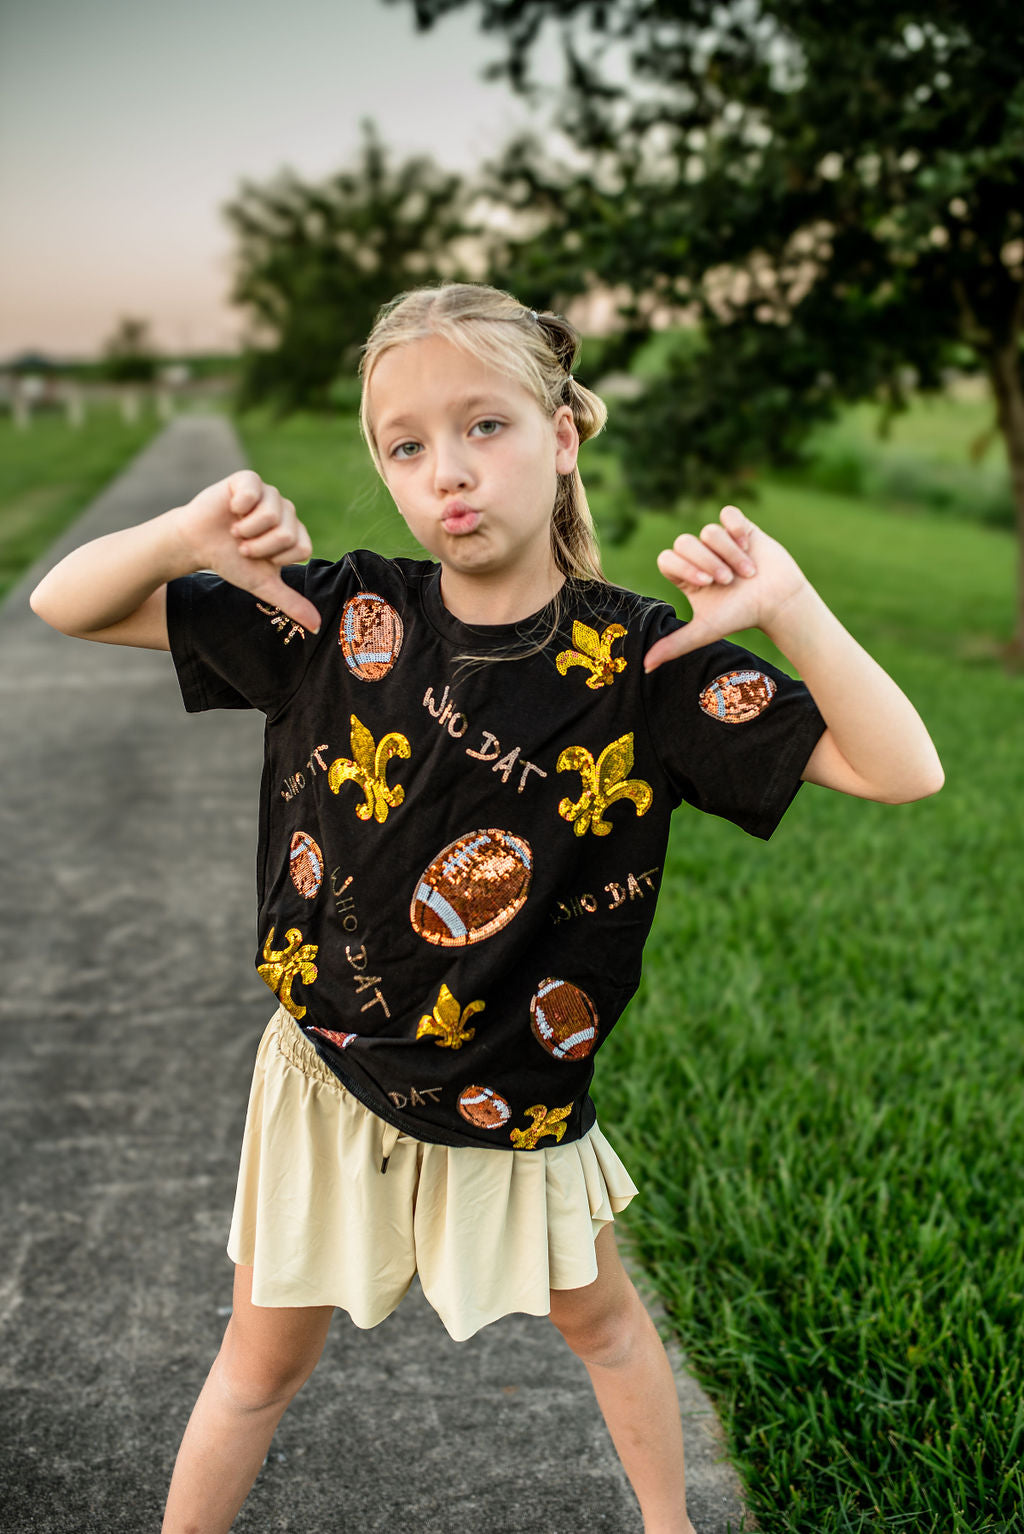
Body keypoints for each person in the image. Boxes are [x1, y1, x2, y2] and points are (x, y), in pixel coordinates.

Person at [30, 282, 943, 1534]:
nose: (447, 472)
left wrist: (789, 606)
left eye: (486, 428)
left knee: (606, 1325)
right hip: (329, 1074)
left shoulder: (642, 666)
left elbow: (904, 769)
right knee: (259, 1364)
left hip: (513, 1090)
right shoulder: (341, 617)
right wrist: (184, 534)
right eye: (405, 446)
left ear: (561, 432)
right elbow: (62, 605)